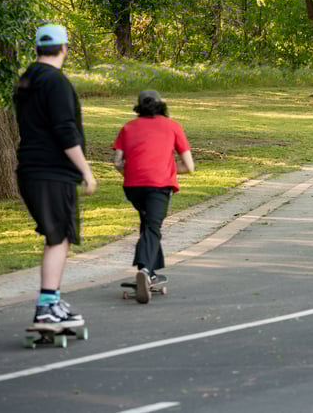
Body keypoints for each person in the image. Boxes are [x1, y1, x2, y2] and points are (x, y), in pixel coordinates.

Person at [15, 23, 97, 329]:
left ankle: (52, 301)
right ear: (64, 48)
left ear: (37, 48)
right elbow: (65, 130)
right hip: (53, 171)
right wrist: (86, 171)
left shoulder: (27, 79)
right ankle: (47, 306)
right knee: (59, 237)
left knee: (56, 236)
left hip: (30, 168)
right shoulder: (56, 82)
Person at [112, 90, 194, 303]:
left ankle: (150, 271)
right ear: (162, 105)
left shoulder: (128, 127)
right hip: (159, 185)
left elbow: (117, 162)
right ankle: (145, 271)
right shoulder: (173, 126)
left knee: (147, 223)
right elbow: (189, 166)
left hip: (133, 187)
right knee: (152, 227)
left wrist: (133, 171)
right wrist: (165, 168)